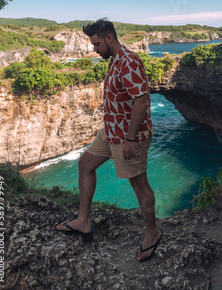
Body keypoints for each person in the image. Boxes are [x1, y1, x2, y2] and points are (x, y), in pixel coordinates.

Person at [56, 19, 162, 262]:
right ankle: (83, 221)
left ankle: (153, 232)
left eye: (96, 44)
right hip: (111, 131)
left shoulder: (129, 61)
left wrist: (131, 139)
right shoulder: (115, 60)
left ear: (109, 38)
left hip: (127, 136)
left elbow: (141, 100)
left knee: (139, 185)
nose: (94, 49)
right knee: (85, 164)